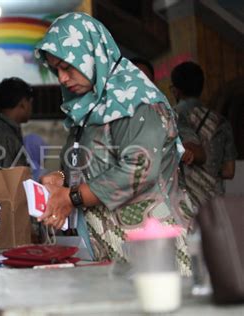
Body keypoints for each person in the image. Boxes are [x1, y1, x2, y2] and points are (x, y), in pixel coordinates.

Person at [34, 12, 193, 275]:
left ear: (91, 55)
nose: (61, 78)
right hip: (110, 252)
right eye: (56, 69)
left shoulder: (139, 102)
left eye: (67, 67)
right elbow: (85, 165)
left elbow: (139, 169)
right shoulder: (89, 109)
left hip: (154, 250)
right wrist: (61, 178)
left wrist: (72, 197)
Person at [170, 61, 237, 196]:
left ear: (175, 90)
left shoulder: (169, 116)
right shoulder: (221, 121)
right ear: (201, 88)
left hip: (183, 199)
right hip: (213, 200)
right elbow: (229, 171)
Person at [0, 77, 34, 169]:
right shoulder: (3, 135)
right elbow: (5, 177)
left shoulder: (5, 130)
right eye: (30, 102)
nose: (31, 107)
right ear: (23, 103)